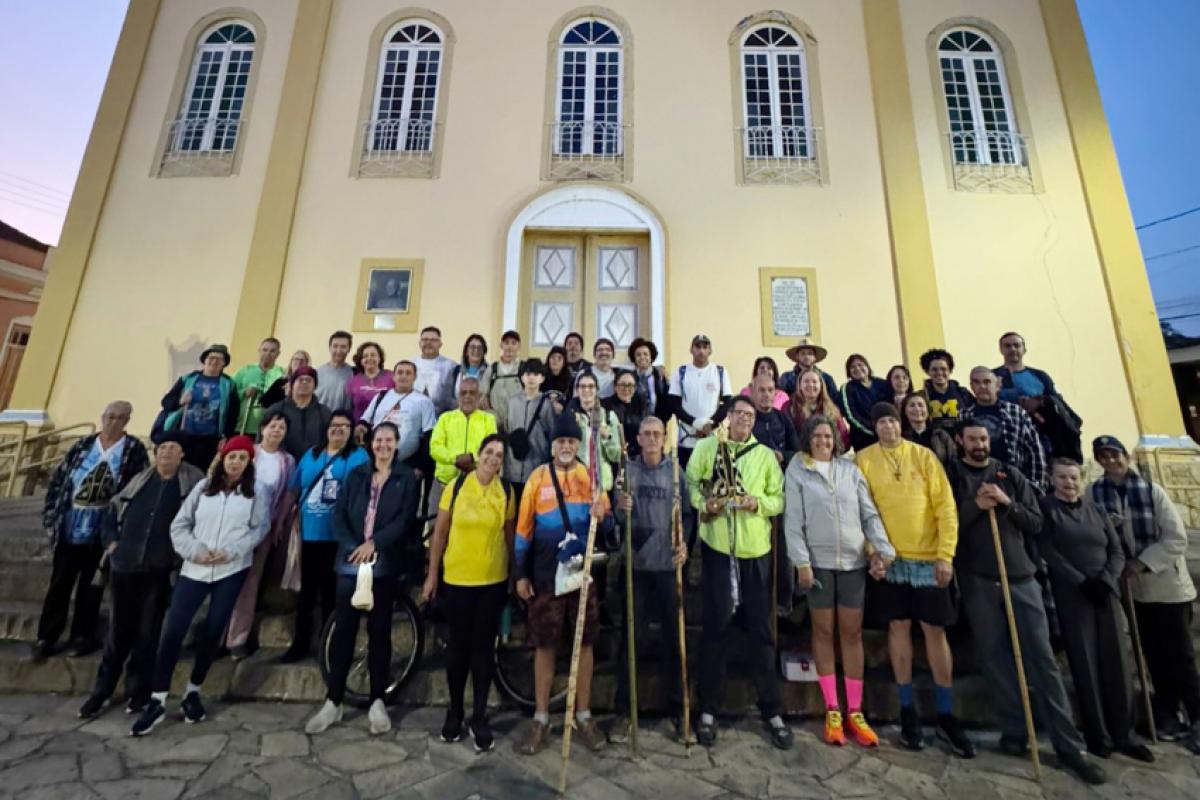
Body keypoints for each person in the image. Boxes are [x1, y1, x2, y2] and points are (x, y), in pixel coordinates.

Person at [946, 421, 1105, 784]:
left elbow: (1035, 522)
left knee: (1041, 659)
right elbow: (947, 522)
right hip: (978, 578)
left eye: (983, 438)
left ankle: (1068, 745)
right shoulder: (953, 475)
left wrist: (1005, 503)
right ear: (960, 441)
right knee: (995, 658)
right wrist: (975, 506)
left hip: (1020, 576)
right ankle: (1015, 729)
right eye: (972, 439)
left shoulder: (1010, 474)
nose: (979, 444)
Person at [130, 435, 269, 736]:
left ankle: (193, 691)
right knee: (173, 631)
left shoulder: (256, 492)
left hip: (230, 569)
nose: (236, 463)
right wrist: (195, 551)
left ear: (249, 462)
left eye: (242, 458)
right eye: (232, 457)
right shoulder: (203, 488)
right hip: (195, 569)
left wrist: (231, 551)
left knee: (213, 631)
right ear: (223, 459)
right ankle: (158, 698)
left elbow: (259, 529)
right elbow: (180, 525)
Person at [855, 402, 972, 757]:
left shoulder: (923, 457)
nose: (888, 427)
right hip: (890, 559)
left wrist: (946, 554)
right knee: (898, 629)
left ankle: (946, 713)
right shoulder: (863, 460)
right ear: (874, 427)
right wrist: (872, 552)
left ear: (900, 423)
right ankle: (907, 709)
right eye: (881, 422)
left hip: (928, 559)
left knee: (935, 632)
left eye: (892, 421)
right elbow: (861, 511)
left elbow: (945, 507)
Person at [686, 396, 792, 750]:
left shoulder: (763, 456)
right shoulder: (707, 447)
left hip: (754, 551)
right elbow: (691, 484)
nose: (745, 419)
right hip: (718, 547)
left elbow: (779, 498)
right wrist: (705, 504)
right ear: (728, 417)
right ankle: (708, 710)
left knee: (760, 630)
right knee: (715, 628)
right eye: (739, 413)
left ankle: (771, 709)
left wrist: (757, 504)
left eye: (750, 415)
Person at [785, 415, 895, 747]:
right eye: (817, 436)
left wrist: (883, 549)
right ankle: (832, 707)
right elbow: (794, 520)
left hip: (852, 562)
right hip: (818, 564)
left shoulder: (849, 470)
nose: (823, 441)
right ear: (808, 439)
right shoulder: (798, 470)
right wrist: (801, 562)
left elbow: (868, 513)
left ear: (836, 440)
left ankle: (855, 710)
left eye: (828, 437)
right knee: (822, 632)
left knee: (851, 633)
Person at [78, 433, 205, 718]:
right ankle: (101, 692)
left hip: (159, 570)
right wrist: (112, 544)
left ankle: (138, 692)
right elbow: (112, 512)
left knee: (148, 634)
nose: (166, 452)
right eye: (162, 448)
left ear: (182, 454)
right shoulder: (139, 481)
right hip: (124, 566)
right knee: (117, 634)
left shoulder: (190, 485)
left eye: (172, 448)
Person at [305, 422, 420, 736]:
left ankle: (377, 700)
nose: (383, 445)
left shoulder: (405, 478)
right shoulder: (357, 474)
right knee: (344, 629)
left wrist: (375, 544)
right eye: (378, 439)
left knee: (379, 630)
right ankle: (334, 699)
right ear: (371, 443)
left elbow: (404, 519)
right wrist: (353, 546)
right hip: (351, 560)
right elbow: (339, 512)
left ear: (397, 444)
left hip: (383, 562)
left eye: (389, 440)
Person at [1090, 435, 1200, 752]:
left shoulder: (1152, 491)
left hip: (1168, 587)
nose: (1111, 461)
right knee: (1152, 655)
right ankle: (1168, 715)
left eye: (1115, 455)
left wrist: (1141, 562)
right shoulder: (1095, 493)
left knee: (1180, 656)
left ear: (1126, 456)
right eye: (1104, 456)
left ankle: (1196, 715)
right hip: (1133, 591)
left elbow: (1176, 539)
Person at [1039, 459, 1153, 762]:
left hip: (1105, 593)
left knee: (1118, 663)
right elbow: (1049, 551)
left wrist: (1106, 580)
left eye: (1073, 477)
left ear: (1081, 479)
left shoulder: (1097, 510)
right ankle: (1098, 735)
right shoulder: (1047, 509)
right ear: (1052, 479)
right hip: (1074, 596)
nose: (1069, 483)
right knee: (1085, 664)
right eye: (1062, 477)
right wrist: (1082, 582)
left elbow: (1116, 550)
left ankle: (1125, 734)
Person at [514, 413, 613, 756]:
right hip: (546, 575)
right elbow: (523, 531)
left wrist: (604, 513)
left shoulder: (590, 478)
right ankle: (541, 718)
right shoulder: (537, 478)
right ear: (552, 446)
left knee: (584, 643)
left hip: (583, 574)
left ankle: (583, 715)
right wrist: (521, 574)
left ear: (578, 444)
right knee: (544, 645)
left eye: (571, 441)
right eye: (561, 442)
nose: (566, 446)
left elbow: (608, 525)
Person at [33, 401, 149, 661]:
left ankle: (82, 636)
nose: (112, 422)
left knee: (91, 586)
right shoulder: (83, 445)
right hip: (70, 524)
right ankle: (46, 636)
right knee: (60, 584)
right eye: (109, 416)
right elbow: (60, 479)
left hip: (101, 528)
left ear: (127, 421)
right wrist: (52, 515)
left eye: (119, 418)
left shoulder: (133, 449)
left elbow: (136, 488)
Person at [422, 434, 515, 752]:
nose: (493, 458)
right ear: (478, 454)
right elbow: (440, 532)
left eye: (499, 455)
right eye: (489, 452)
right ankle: (455, 710)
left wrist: (514, 575)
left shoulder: (506, 491)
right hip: (458, 579)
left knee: (483, 650)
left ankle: (479, 715)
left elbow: (509, 537)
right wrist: (432, 575)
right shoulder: (457, 486)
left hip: (492, 580)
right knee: (458, 648)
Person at [609, 417, 689, 743]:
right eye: (647, 434)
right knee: (631, 640)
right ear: (639, 438)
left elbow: (688, 515)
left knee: (674, 640)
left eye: (658, 434)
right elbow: (615, 516)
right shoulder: (627, 471)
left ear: (664, 438)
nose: (653, 439)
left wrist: (685, 544)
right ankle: (623, 712)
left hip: (668, 566)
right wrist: (620, 505)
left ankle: (678, 711)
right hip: (636, 566)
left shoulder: (676, 473)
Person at [278, 411, 370, 662]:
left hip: (338, 535)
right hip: (309, 532)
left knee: (332, 591)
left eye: (344, 426)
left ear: (352, 431)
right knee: (307, 592)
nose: (338, 429)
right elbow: (294, 489)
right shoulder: (312, 454)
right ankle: (300, 643)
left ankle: (327, 643)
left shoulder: (358, 456)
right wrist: (282, 521)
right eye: (334, 425)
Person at [225, 412, 296, 659]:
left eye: (282, 427)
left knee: (250, 583)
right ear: (263, 428)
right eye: (272, 425)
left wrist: (279, 524)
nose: (276, 430)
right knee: (224, 581)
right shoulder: (247, 453)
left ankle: (236, 639)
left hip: (262, 529)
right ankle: (215, 637)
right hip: (232, 527)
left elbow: (287, 495)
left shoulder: (287, 461)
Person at [994, 332, 1083, 461]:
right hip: (1007, 436)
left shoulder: (1039, 376)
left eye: (1016, 345)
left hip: (1042, 438)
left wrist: (1038, 402)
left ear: (1024, 349)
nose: (1012, 349)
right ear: (1001, 350)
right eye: (1007, 346)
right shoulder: (992, 376)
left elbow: (1057, 403)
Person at [961, 366, 1047, 491]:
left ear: (997, 385)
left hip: (1013, 481)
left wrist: (1036, 485)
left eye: (987, 382)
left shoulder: (1016, 412)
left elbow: (1034, 448)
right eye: (976, 382)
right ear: (971, 387)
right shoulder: (964, 416)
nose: (982, 386)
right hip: (977, 482)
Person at [156, 344, 241, 469]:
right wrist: (180, 401)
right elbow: (166, 402)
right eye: (211, 358)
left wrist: (226, 436)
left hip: (210, 439)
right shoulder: (187, 379)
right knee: (178, 469)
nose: (214, 361)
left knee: (200, 471)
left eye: (219, 359)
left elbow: (233, 413)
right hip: (184, 434)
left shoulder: (228, 384)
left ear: (224, 363)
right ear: (204, 360)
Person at [428, 377, 498, 520]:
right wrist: (455, 459)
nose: (467, 397)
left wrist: (472, 460)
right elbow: (435, 447)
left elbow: (492, 449)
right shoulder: (445, 418)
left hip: (476, 484)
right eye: (463, 393)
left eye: (472, 393)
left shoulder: (488, 420)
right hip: (444, 483)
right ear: (458, 395)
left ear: (479, 396)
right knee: (435, 526)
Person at [669, 334, 733, 467]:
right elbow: (673, 404)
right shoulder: (681, 372)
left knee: (711, 476)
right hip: (687, 439)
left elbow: (728, 403)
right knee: (686, 476)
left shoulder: (719, 372)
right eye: (697, 347)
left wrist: (711, 424)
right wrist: (695, 423)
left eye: (705, 347)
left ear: (710, 350)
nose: (701, 351)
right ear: (691, 349)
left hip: (712, 438)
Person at [505, 359, 556, 501]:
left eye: (536, 374)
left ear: (542, 378)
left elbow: (551, 435)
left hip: (536, 467)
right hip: (512, 467)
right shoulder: (512, 402)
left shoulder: (547, 404)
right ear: (522, 377)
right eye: (528, 374)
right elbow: (508, 429)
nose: (531, 378)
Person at [263, 366, 332, 461]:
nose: (304, 382)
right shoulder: (275, 409)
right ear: (292, 385)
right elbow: (262, 440)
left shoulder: (324, 412)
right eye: (300, 380)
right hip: (281, 463)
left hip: (314, 464)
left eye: (308, 380)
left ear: (315, 386)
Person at [568, 372, 622, 491]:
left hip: (602, 485)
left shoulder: (609, 416)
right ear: (577, 390)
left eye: (591, 386)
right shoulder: (569, 416)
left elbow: (616, 456)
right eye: (582, 386)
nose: (586, 390)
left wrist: (606, 437)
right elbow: (557, 451)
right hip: (576, 483)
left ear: (597, 390)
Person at [785, 369, 850, 452]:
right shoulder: (789, 407)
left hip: (828, 454)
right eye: (806, 381)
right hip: (800, 455)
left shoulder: (831, 408)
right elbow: (786, 436)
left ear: (821, 386)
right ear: (800, 386)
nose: (810, 385)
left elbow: (843, 437)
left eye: (814, 382)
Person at [232, 337, 283, 436]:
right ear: (259, 351)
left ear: (278, 354)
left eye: (272, 351)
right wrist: (244, 392)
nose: (267, 354)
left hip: (269, 429)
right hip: (241, 427)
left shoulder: (281, 373)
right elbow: (230, 394)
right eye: (265, 350)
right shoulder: (244, 371)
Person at [840, 354, 889, 453]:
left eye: (860, 365)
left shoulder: (882, 383)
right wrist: (874, 431)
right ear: (849, 372)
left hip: (887, 435)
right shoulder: (847, 388)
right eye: (853, 367)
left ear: (867, 366)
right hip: (863, 440)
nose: (857, 368)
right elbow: (851, 416)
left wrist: (886, 429)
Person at [918, 348, 972, 434]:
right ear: (927, 372)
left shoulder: (963, 393)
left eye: (943, 369)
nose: (939, 373)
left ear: (950, 371)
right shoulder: (921, 396)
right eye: (934, 369)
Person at [750, 374, 799, 467]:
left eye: (770, 390)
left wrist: (783, 456)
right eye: (761, 390)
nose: (766, 394)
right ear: (752, 393)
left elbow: (797, 452)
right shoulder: (747, 419)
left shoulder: (783, 418)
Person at [480, 330, 524, 430]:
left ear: (519, 346)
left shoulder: (523, 368)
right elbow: (483, 393)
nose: (509, 347)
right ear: (501, 345)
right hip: (496, 422)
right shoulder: (492, 369)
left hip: (518, 421)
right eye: (506, 343)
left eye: (513, 343)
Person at [414, 326, 459, 414]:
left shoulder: (451, 366)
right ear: (420, 343)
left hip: (443, 415)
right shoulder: (411, 364)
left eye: (433, 340)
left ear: (440, 344)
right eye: (425, 339)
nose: (428, 343)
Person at [901, 393, 956, 465]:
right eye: (912, 405)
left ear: (927, 411)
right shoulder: (901, 437)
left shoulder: (940, 435)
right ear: (905, 411)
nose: (917, 409)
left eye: (920, 405)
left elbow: (953, 461)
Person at [780, 337, 839, 403]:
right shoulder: (786, 378)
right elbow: (781, 399)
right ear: (797, 356)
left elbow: (834, 401)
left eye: (810, 353)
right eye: (803, 353)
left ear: (815, 357)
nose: (807, 357)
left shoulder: (826, 378)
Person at [347, 341, 394, 422]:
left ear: (380, 358)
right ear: (361, 360)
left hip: (385, 425)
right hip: (360, 426)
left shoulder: (392, 377)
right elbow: (349, 408)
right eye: (365, 356)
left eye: (373, 355)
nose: (369, 358)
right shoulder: (354, 381)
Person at [604, 371, 646, 458]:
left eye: (630, 385)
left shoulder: (640, 403)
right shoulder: (605, 405)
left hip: (637, 455)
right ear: (615, 387)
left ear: (635, 388)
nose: (626, 389)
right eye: (622, 385)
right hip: (615, 455)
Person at [628, 337, 670, 419]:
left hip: (658, 423)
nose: (642, 357)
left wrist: (663, 420)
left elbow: (667, 401)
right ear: (634, 358)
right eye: (638, 355)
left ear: (651, 357)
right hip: (635, 423)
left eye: (645, 354)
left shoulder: (661, 376)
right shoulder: (630, 377)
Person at [315, 331, 354, 412]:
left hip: (342, 419)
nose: (338, 350)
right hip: (318, 417)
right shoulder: (317, 373)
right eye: (335, 346)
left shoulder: (353, 374)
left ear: (349, 349)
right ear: (330, 348)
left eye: (343, 347)